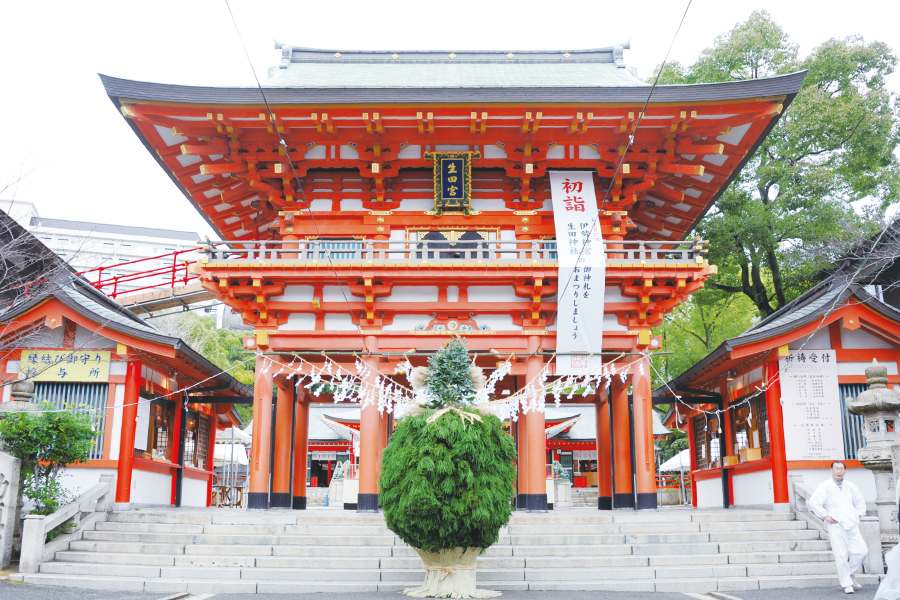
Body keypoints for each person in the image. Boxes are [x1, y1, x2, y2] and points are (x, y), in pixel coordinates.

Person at [808, 461, 869, 594]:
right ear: (832, 470)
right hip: (836, 524)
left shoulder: (851, 486)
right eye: (836, 468)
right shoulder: (825, 486)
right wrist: (825, 516)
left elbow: (860, 502)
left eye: (841, 469)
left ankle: (850, 575)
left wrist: (858, 514)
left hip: (851, 523)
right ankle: (847, 584)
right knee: (841, 554)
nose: (839, 471)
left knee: (862, 551)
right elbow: (814, 502)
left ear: (845, 471)